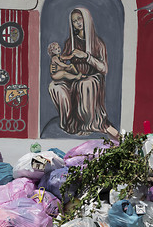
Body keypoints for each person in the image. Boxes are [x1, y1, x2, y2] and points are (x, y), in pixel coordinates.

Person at [46, 7, 117, 137]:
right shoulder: (70, 42)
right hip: (74, 78)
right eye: (74, 21)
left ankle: (87, 124)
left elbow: (104, 68)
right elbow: (66, 62)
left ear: (87, 19)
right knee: (54, 86)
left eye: (80, 19)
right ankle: (68, 122)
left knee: (84, 84)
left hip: (92, 78)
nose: (78, 22)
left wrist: (86, 56)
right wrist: (58, 66)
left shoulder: (98, 43)